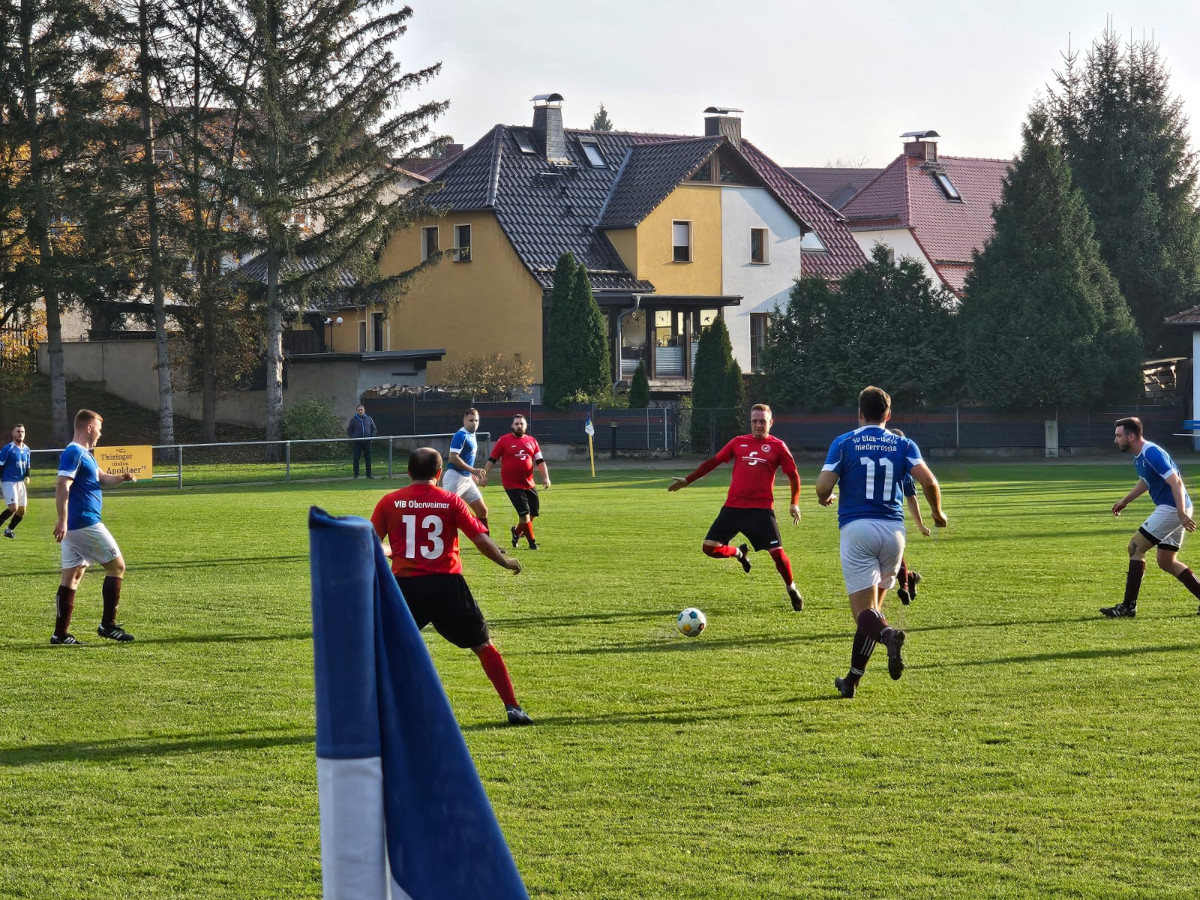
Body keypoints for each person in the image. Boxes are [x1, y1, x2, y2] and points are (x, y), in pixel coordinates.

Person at [371, 447, 532, 726]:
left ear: (408, 472)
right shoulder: (450, 501)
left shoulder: (389, 502)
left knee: (383, 649)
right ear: (439, 473)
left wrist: (395, 551)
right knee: (483, 646)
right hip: (447, 586)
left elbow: (371, 545)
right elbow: (480, 540)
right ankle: (512, 707)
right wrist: (504, 562)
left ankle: (376, 713)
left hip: (406, 588)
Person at [815, 387, 946, 698]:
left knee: (865, 615)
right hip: (894, 534)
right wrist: (937, 513)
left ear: (859, 414)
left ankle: (889, 636)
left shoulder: (844, 442)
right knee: (873, 614)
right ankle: (852, 681)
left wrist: (824, 497)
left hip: (858, 530)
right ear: (888, 414)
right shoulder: (904, 443)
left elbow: (822, 486)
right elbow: (928, 480)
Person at [667, 403, 805, 611]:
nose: (758, 425)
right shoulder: (738, 442)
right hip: (733, 507)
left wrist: (794, 502)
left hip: (760, 510)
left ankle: (791, 588)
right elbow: (713, 461)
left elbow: (793, 475)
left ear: (771, 422)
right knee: (709, 548)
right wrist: (688, 480)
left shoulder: (778, 446)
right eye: (754, 421)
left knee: (777, 554)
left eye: (762, 421)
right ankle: (740, 554)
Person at [51, 409, 137, 645]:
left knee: (72, 577)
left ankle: (60, 634)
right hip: (84, 522)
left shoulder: (86, 455)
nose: (100, 433)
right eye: (99, 428)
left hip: (75, 526)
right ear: (89, 427)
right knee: (117, 567)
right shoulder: (74, 452)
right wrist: (62, 519)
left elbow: (101, 478)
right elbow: (62, 485)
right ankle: (108, 625)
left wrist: (122, 477)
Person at [1104, 416, 1200, 618]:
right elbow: (1146, 481)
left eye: (1118, 435)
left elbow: (1176, 482)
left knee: (1135, 547)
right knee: (1166, 561)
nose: (1115, 440)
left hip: (1173, 508)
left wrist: (1181, 513)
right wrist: (1125, 501)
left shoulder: (1151, 453)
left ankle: (1128, 607)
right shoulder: (1139, 455)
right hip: (1176, 508)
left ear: (1131, 436)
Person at [484, 414, 550, 550]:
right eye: (516, 424)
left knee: (533, 512)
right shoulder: (504, 440)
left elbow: (540, 461)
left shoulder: (532, 441)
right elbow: (492, 459)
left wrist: (546, 477)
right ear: (512, 426)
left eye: (521, 423)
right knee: (524, 515)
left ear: (526, 426)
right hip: (511, 484)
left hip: (529, 483)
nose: (519, 426)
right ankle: (532, 544)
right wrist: (484, 475)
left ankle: (517, 532)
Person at [890, 430, 931, 605]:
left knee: (894, 555)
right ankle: (910, 577)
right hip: (868, 518)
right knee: (885, 563)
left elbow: (911, 497)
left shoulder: (903, 470)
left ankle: (905, 585)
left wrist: (920, 525)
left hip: (891, 518)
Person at [442, 408, 489, 528]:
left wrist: (470, 474)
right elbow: (453, 458)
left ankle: (486, 540)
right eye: (471, 420)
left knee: (482, 510)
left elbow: (466, 458)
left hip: (466, 478)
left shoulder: (471, 435)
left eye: (476, 420)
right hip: (455, 478)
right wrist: (473, 470)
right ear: (464, 420)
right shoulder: (461, 435)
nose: (474, 423)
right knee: (446, 513)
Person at [0, 423, 31, 539]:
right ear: (13, 433)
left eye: (22, 431)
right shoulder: (8, 449)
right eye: (18, 431)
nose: (20, 433)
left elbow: (27, 467)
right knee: (13, 507)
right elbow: (1, 466)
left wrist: (28, 476)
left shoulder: (27, 449)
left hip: (20, 482)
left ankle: (9, 530)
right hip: (9, 481)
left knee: (22, 511)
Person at [346, 403, 377, 479]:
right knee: (356, 459)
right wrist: (354, 438)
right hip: (357, 443)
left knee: (368, 459)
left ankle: (369, 475)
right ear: (356, 411)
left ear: (364, 410)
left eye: (361, 410)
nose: (360, 411)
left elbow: (374, 429)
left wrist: (371, 438)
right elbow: (349, 431)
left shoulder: (369, 419)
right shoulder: (353, 420)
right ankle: (356, 475)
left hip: (367, 442)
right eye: (358, 410)